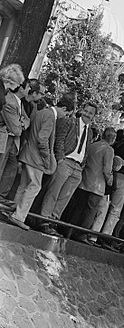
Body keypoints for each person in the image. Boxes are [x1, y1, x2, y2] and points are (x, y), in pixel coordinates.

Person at [4, 98, 65, 230]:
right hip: (37, 159)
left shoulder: (42, 112)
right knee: (35, 187)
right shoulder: (50, 116)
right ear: (64, 109)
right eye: (66, 114)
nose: (64, 116)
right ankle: (19, 216)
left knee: (24, 185)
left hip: (28, 154)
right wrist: (46, 158)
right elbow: (42, 139)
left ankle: (11, 212)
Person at [38, 102, 96, 235]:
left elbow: (86, 149)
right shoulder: (70, 122)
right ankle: (43, 220)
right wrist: (60, 158)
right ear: (82, 110)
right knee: (53, 192)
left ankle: (53, 221)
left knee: (64, 197)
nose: (87, 114)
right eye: (86, 111)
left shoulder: (90, 131)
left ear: (93, 116)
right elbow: (60, 140)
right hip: (66, 162)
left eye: (90, 113)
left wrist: (82, 166)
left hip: (77, 168)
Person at [65, 126, 117, 242]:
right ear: (113, 139)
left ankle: (69, 231)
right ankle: (82, 234)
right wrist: (110, 181)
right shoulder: (109, 150)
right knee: (90, 211)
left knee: (79, 207)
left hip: (84, 181)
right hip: (97, 186)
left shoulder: (92, 145)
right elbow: (106, 170)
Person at [99, 122, 124, 237]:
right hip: (123, 176)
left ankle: (95, 231)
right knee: (116, 207)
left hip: (111, 173)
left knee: (104, 203)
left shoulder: (116, 144)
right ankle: (106, 233)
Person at [0, 63, 29, 206]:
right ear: (10, 82)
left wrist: (20, 123)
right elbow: (17, 129)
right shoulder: (5, 98)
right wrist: (20, 124)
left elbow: (25, 120)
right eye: (16, 84)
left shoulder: (9, 98)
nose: (16, 88)